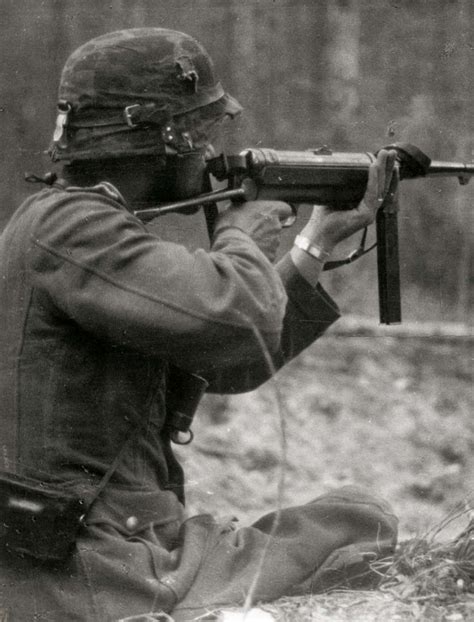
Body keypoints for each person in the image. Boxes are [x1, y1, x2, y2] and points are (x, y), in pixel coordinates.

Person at [0, 28, 398, 622]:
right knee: (359, 521)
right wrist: (240, 234)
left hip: (95, 545)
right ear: (163, 138)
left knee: (347, 520)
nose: (210, 153)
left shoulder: (79, 223)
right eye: (202, 132)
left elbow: (228, 362)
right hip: (98, 565)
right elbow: (238, 321)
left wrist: (315, 241)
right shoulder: (74, 229)